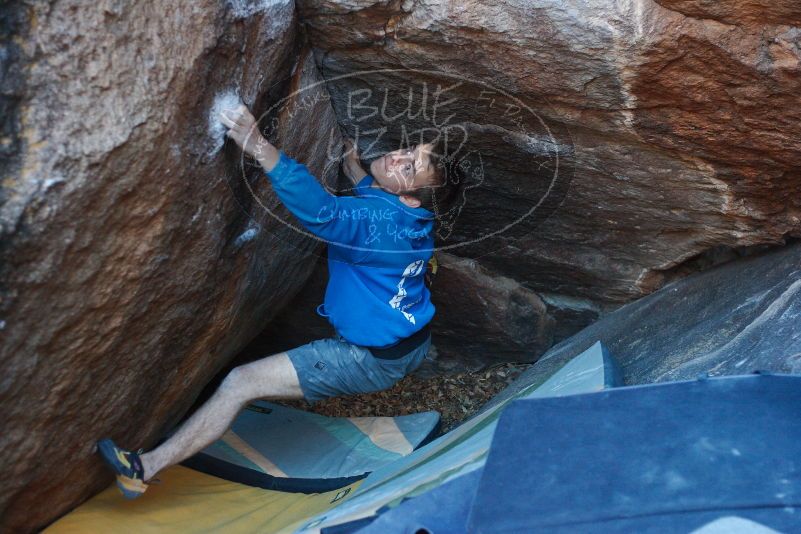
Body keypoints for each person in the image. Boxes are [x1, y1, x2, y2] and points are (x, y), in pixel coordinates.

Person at [97, 104, 464, 498]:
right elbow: (379, 207)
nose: (398, 156)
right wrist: (356, 169)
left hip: (368, 358)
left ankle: (142, 469)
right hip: (412, 340)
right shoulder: (416, 218)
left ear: (410, 199)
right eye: (409, 151)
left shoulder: (383, 224)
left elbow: (323, 212)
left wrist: (258, 145)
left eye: (409, 167)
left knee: (241, 382)